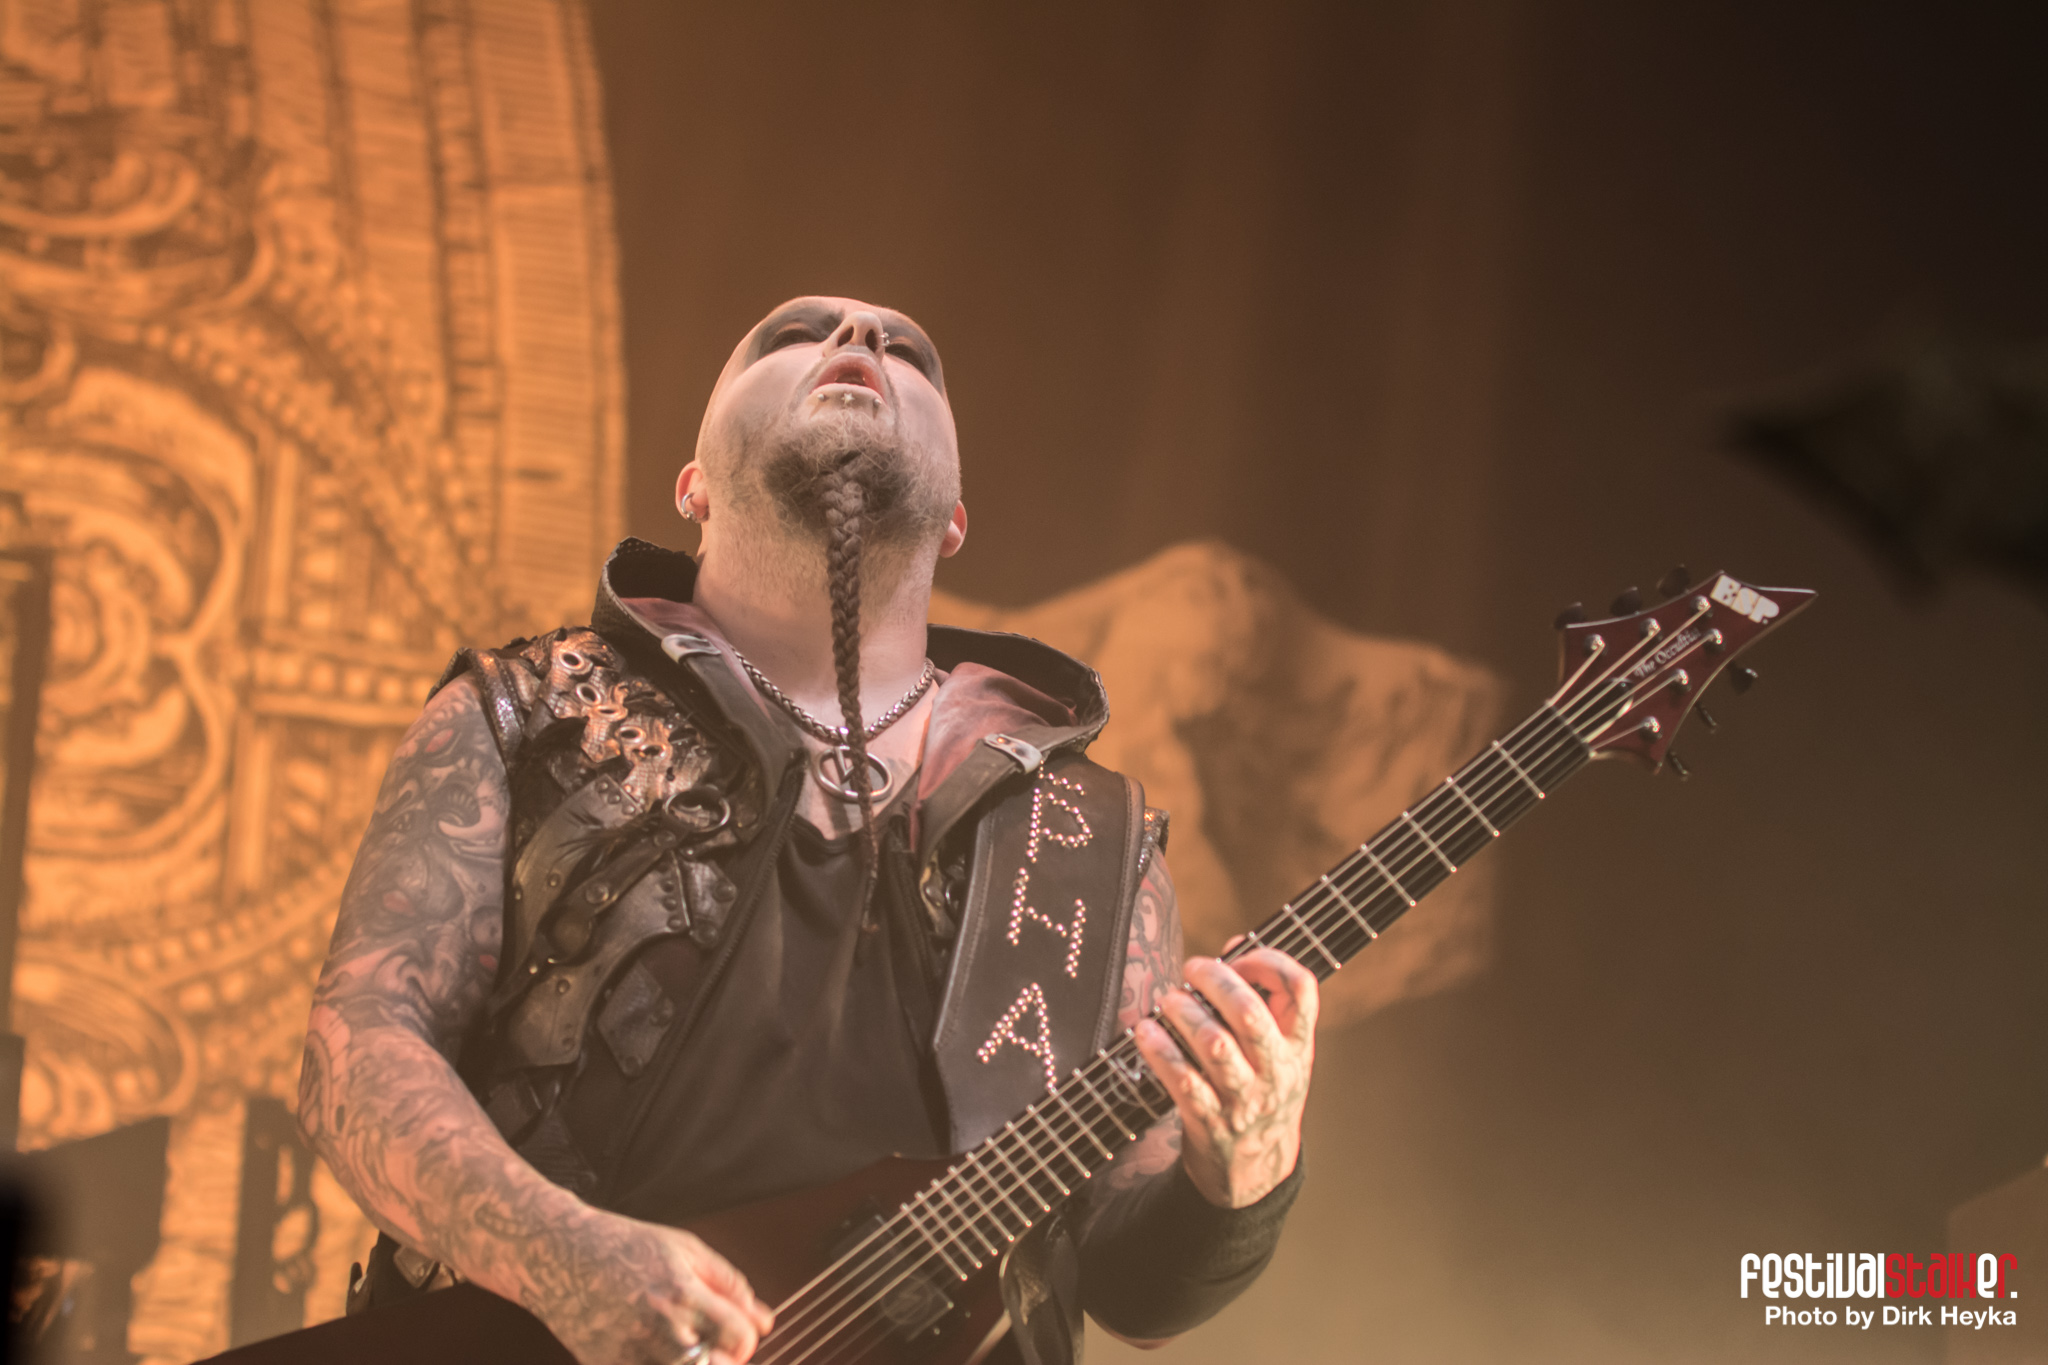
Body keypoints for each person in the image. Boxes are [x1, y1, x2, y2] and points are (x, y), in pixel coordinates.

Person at [296, 297, 1319, 1365]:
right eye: (794, 336)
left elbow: (1131, 1285)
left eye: (908, 351)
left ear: (955, 519)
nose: (859, 341)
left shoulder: (1087, 837)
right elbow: (356, 1048)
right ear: (692, 486)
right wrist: (560, 1259)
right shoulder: (522, 710)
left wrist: (1245, 1177)